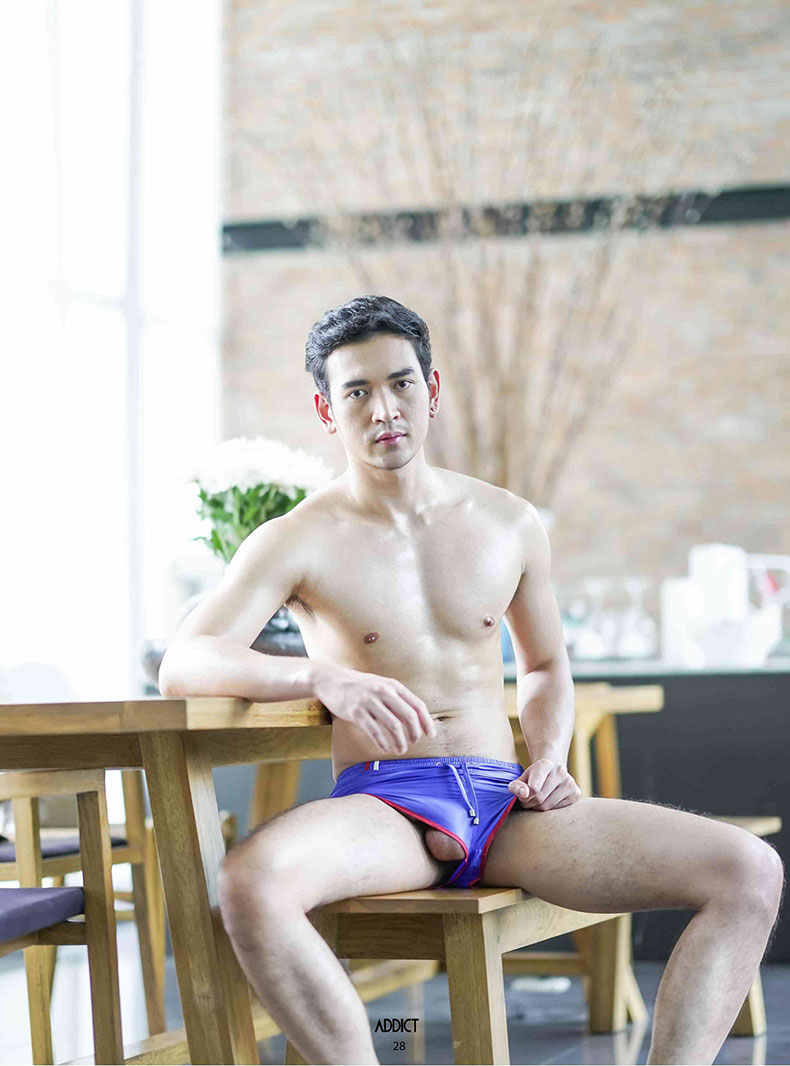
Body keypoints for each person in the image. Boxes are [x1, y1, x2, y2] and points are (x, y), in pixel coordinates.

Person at [159, 295, 784, 1066]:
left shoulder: (508, 522)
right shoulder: (295, 539)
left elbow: (546, 666)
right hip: (384, 804)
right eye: (357, 392)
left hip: (506, 800)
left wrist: (548, 756)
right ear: (326, 411)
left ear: (432, 390)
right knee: (251, 884)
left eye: (401, 383)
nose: (384, 409)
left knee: (748, 871)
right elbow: (186, 661)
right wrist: (322, 678)